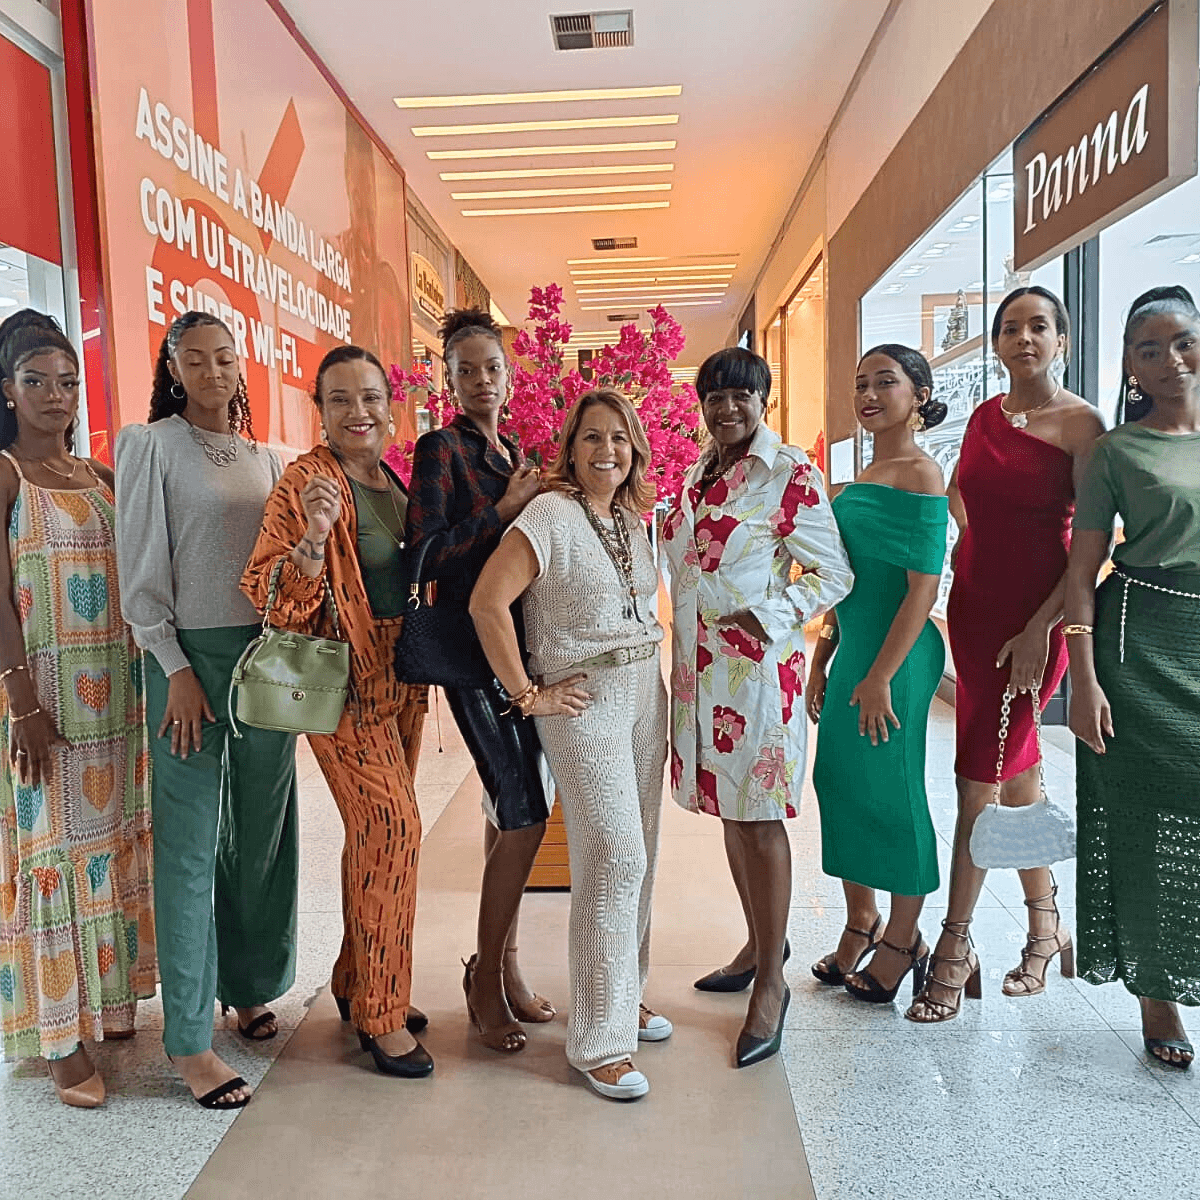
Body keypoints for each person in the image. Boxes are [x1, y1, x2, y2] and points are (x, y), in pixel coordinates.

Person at [115, 311, 298, 1108]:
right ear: (173, 366)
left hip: (264, 660)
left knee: (261, 827)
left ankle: (250, 986)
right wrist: (173, 663)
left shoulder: (270, 458)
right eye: (197, 359)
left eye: (226, 358)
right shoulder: (149, 445)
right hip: (184, 660)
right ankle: (189, 1040)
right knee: (188, 844)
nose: (214, 371)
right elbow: (143, 569)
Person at [907, 287, 1104, 1024]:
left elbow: (1091, 545)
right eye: (1011, 328)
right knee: (1012, 767)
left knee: (974, 783)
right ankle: (1046, 927)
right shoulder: (986, 416)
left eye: (1040, 326)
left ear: (1062, 340)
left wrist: (1040, 629)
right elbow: (960, 494)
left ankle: (954, 949)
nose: (1025, 338)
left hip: (1035, 623)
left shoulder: (1084, 425)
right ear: (996, 343)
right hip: (976, 609)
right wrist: (973, 545)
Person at [470, 388, 669, 1101]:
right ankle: (598, 1042)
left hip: (646, 692)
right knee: (614, 854)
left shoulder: (633, 517)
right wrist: (529, 695)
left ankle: (625, 997)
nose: (605, 451)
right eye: (591, 438)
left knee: (640, 851)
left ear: (635, 448)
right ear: (570, 447)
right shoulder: (548, 514)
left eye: (618, 438)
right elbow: (487, 603)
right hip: (581, 699)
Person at [242, 344, 432, 1079]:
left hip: (402, 679)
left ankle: (364, 981)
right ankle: (382, 1018)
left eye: (372, 397)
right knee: (394, 826)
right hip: (342, 686)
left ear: (391, 406)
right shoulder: (307, 481)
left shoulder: (390, 479)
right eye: (341, 400)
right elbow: (269, 596)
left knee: (374, 839)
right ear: (319, 411)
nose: (359, 412)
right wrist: (314, 545)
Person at [662, 347, 853, 1067]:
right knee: (731, 818)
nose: (728, 407)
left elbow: (833, 572)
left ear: (764, 400)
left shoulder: (789, 474)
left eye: (742, 395)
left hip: (756, 679)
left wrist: (771, 617)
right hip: (699, 676)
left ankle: (771, 981)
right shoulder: (695, 475)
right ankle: (755, 943)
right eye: (715, 396)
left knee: (760, 818)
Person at [0, 310, 154, 1107]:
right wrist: (19, 696)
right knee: (51, 853)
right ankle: (60, 1043)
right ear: (8, 391)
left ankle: (109, 1001)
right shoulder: (5, 472)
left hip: (115, 694)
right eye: (36, 382)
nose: (55, 395)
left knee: (112, 840)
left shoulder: (100, 476)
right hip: (45, 694)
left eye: (66, 381)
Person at [405, 307, 551, 1055]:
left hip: (524, 652)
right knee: (524, 809)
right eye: (465, 370)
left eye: (491, 367)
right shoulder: (442, 450)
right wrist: (504, 509)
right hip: (472, 652)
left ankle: (509, 967)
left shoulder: (516, 451)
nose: (481, 380)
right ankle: (484, 978)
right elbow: (424, 555)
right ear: (448, 379)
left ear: (508, 373)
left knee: (507, 810)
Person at [1066, 284, 1200, 1070]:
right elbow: (1083, 571)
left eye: (1182, 341)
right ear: (1130, 367)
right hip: (1139, 642)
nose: (1170, 360)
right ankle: (1159, 996)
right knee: (1148, 823)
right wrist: (1081, 679)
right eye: (1149, 350)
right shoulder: (1119, 451)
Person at [808, 346, 948, 1004]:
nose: (868, 394)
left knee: (892, 790)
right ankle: (860, 919)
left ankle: (904, 936)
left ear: (918, 393)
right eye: (860, 383)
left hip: (900, 656)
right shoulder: (865, 469)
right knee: (838, 780)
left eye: (884, 382)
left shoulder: (922, 473)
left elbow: (923, 590)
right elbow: (846, 581)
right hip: (856, 647)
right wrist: (822, 656)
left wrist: (881, 676)